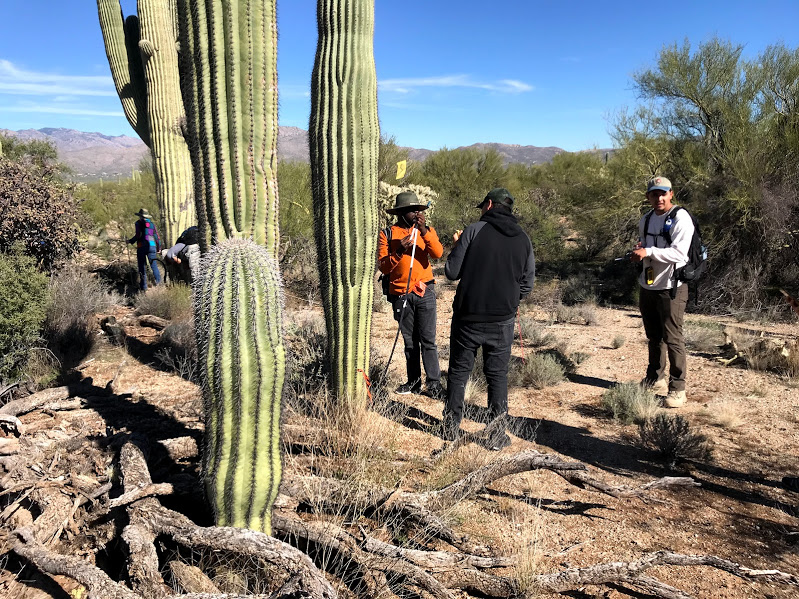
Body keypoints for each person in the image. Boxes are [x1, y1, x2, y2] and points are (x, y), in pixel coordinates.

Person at [442, 188, 535, 449]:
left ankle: (450, 428)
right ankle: (496, 435)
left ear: (490, 204)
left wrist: (456, 246)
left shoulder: (474, 230)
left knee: (459, 372)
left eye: (483, 206)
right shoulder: (523, 238)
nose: (482, 210)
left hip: (468, 317)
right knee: (497, 376)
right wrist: (509, 300)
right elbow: (527, 283)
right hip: (502, 320)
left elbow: (451, 272)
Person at [630, 176, 694, 408]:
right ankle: (655, 378)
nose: (659, 198)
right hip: (648, 284)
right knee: (654, 337)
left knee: (673, 337)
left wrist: (649, 251)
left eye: (663, 193)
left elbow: (679, 254)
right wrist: (639, 251)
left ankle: (678, 388)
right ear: (648, 196)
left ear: (671, 194)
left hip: (671, 287)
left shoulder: (680, 218)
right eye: (654, 194)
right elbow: (644, 246)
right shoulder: (645, 220)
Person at [377, 191, 446, 399]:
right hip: (401, 294)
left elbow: (438, 253)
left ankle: (434, 385)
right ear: (401, 213)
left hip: (425, 291)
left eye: (419, 210)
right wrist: (399, 252)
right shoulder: (388, 234)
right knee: (410, 341)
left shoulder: (426, 231)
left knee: (428, 340)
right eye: (412, 210)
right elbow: (383, 266)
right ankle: (414, 382)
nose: (417, 213)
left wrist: (424, 230)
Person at [127, 208, 162, 291]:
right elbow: (157, 236)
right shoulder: (152, 224)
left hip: (142, 246)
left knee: (141, 267)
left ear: (140, 216)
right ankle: (159, 284)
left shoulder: (138, 223)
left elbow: (138, 235)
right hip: (152, 246)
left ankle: (144, 287)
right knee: (154, 265)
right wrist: (159, 247)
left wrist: (130, 241)